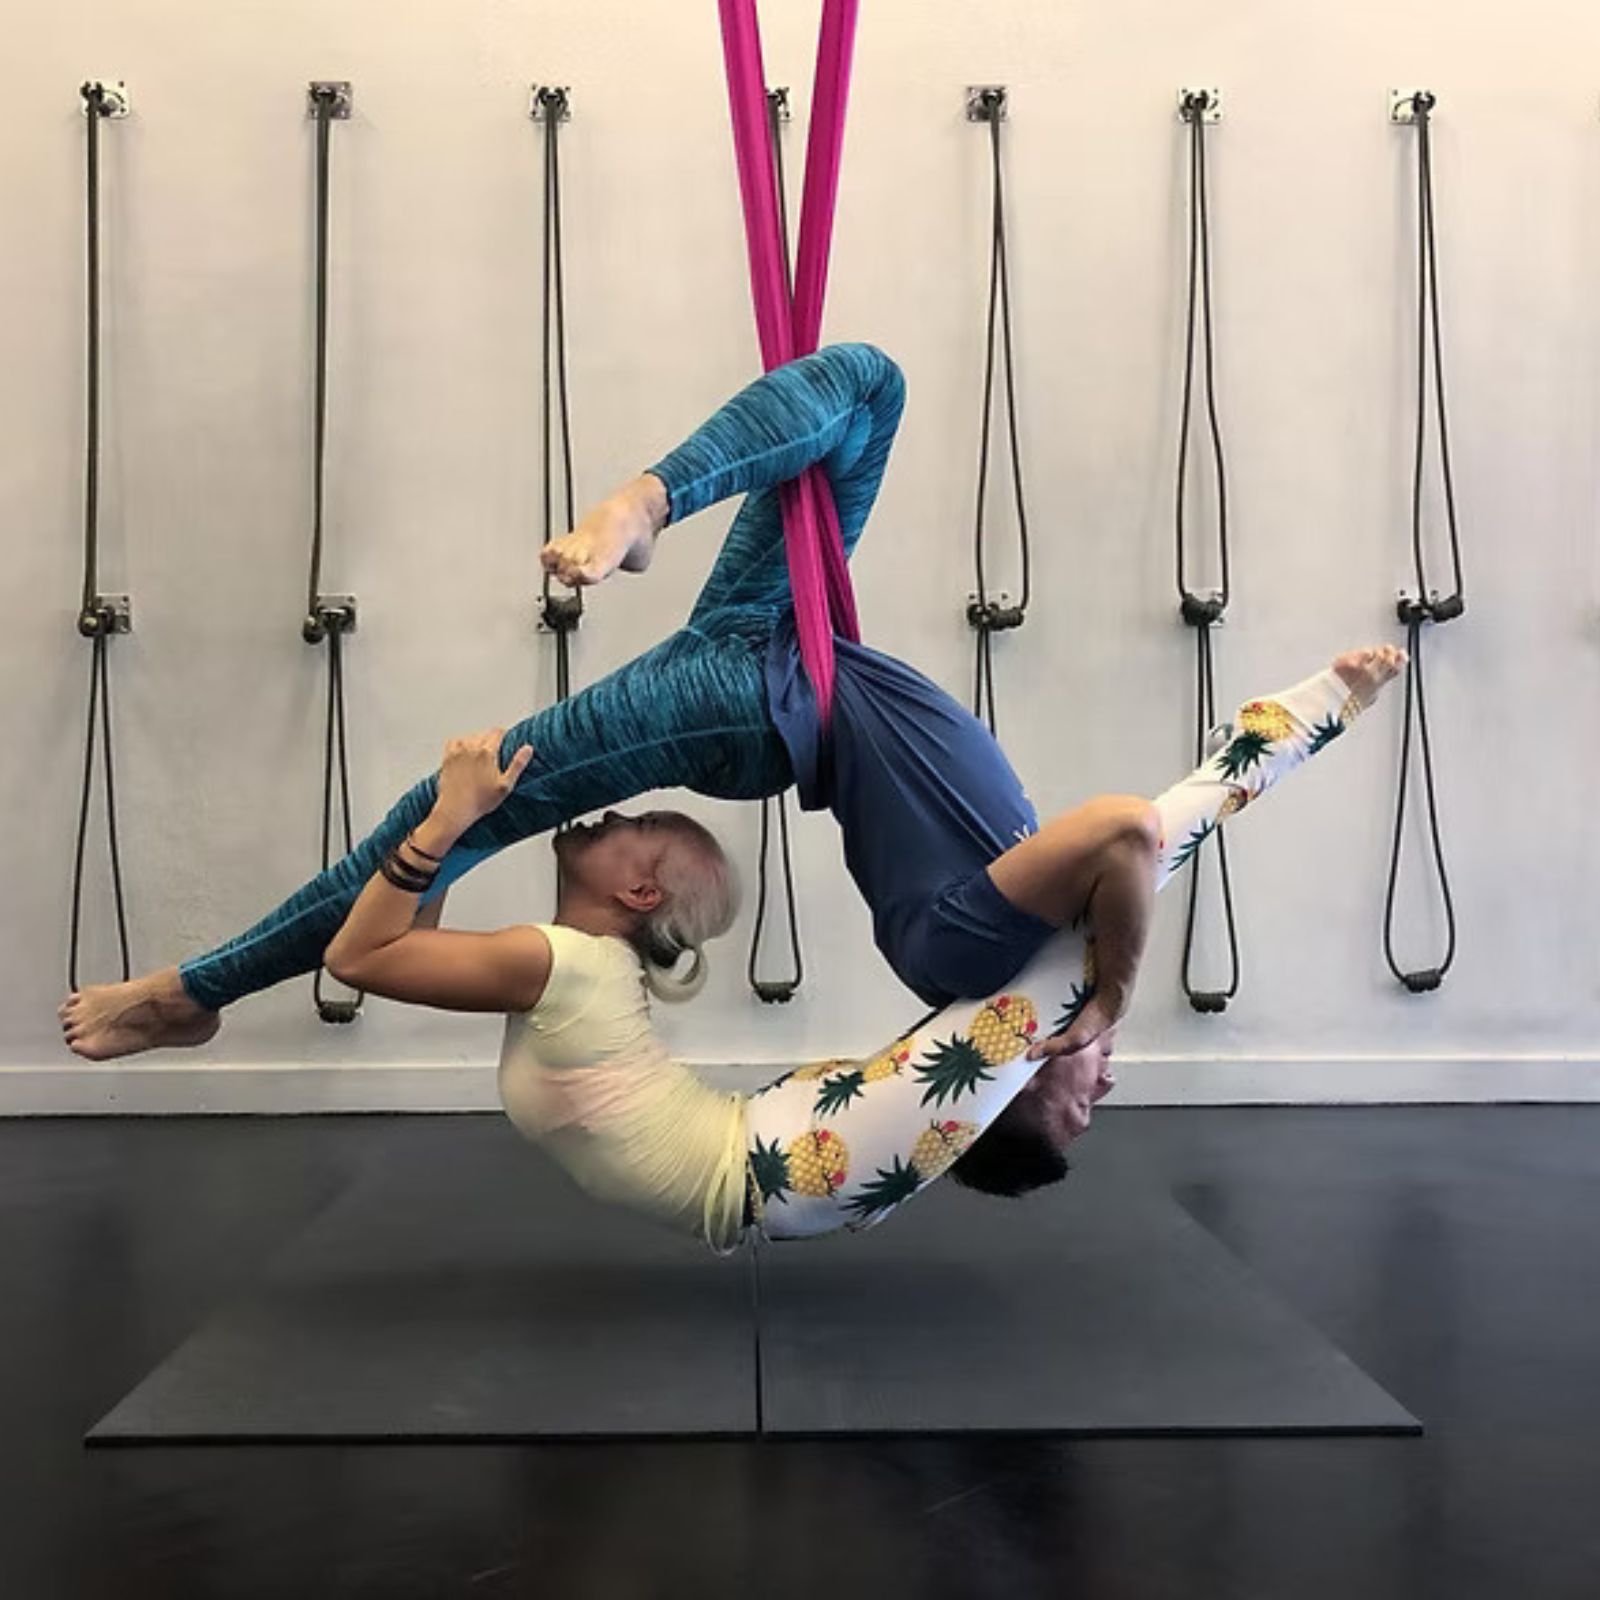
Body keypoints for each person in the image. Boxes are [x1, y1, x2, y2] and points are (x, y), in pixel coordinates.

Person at [58, 345, 1402, 1217]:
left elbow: (1118, 828)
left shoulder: (978, 951)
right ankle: (647, 503)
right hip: (783, 647)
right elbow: (1195, 804)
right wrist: (1327, 703)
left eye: (1077, 1114)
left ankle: (191, 994)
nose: (1104, 1093)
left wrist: (1112, 994)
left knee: (446, 816)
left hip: (755, 706)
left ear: (1004, 1087)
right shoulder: (1055, 933)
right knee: (870, 385)